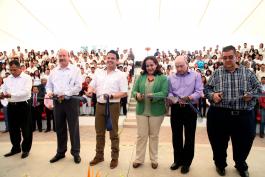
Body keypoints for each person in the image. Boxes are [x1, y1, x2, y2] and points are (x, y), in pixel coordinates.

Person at [204, 45, 261, 177]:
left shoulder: (248, 72)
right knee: (218, 142)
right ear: (222, 58)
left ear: (237, 56)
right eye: (225, 58)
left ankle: (241, 164)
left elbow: (259, 89)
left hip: (243, 115)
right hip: (219, 114)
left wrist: (251, 94)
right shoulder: (217, 72)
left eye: (230, 57)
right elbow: (207, 90)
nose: (228, 60)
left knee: (244, 143)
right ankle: (220, 164)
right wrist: (213, 95)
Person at [86, 50, 128, 169]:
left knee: (113, 133)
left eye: (113, 58)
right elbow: (92, 85)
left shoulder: (121, 75)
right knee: (99, 133)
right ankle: (99, 156)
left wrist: (112, 96)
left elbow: (124, 92)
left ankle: (115, 158)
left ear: (117, 60)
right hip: (99, 105)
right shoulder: (99, 72)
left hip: (113, 106)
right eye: (108, 57)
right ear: (105, 59)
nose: (110, 60)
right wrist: (89, 90)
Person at [46, 49, 82, 164]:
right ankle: (60, 152)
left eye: (64, 55)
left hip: (71, 101)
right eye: (60, 56)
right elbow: (48, 86)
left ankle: (76, 153)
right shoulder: (53, 71)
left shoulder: (75, 70)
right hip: (57, 102)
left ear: (68, 56)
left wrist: (65, 94)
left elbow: (78, 87)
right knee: (60, 128)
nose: (61, 57)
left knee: (73, 128)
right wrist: (49, 92)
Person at [131, 56, 168, 169]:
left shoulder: (163, 78)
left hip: (157, 112)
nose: (149, 67)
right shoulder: (140, 77)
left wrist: (154, 96)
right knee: (141, 136)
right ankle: (139, 159)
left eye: (152, 65)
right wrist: (136, 95)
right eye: (147, 65)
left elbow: (164, 93)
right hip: (141, 111)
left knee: (154, 136)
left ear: (156, 65)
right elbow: (134, 91)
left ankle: (154, 159)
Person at [168, 56, 203, 174]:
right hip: (176, 108)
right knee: (176, 135)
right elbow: (169, 92)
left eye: (181, 66)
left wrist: (189, 98)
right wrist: (175, 99)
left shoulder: (196, 75)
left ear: (187, 64)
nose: (179, 68)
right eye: (177, 66)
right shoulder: (171, 77)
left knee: (189, 136)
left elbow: (199, 91)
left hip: (190, 108)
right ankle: (177, 160)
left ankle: (187, 162)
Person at [1, 60, 32, 159]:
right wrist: (2, 93)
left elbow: (26, 92)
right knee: (13, 129)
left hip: (23, 105)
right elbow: (3, 88)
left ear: (20, 68)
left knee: (26, 129)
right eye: (11, 70)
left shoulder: (27, 78)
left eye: (14, 70)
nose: (12, 72)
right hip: (11, 106)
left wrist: (11, 95)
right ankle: (16, 148)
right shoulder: (7, 79)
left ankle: (26, 149)